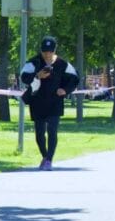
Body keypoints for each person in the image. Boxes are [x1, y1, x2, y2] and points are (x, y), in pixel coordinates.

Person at [20, 35, 79, 170]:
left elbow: (75, 78)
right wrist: (37, 76)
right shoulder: (33, 63)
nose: (47, 54)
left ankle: (49, 160)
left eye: (50, 51)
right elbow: (23, 77)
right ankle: (45, 156)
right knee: (39, 134)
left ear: (54, 50)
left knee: (52, 130)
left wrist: (65, 90)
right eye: (44, 51)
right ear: (41, 50)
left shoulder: (62, 64)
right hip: (37, 102)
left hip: (55, 103)